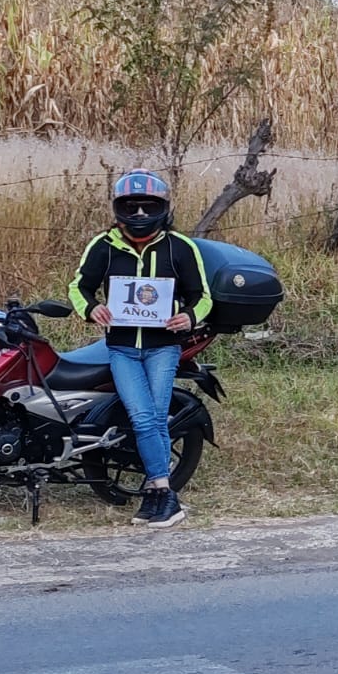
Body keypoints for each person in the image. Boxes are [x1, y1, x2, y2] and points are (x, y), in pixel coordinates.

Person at [68, 170, 213, 528]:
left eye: (147, 206)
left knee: (151, 418)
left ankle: (160, 494)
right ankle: (163, 494)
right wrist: (91, 309)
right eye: (130, 207)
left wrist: (189, 317)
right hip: (120, 349)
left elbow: (202, 296)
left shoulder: (180, 247)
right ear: (118, 208)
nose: (139, 214)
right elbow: (78, 287)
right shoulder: (102, 246)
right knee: (145, 417)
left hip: (164, 348)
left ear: (162, 208)